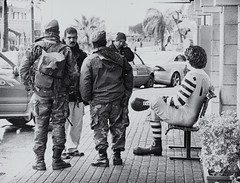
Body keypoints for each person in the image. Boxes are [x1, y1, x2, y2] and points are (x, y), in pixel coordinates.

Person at [131, 45, 211, 156]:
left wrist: (164, 99)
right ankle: (156, 145)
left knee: (155, 100)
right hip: (191, 115)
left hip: (185, 117)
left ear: (190, 60)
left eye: (186, 59)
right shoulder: (205, 76)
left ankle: (146, 103)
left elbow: (179, 101)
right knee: (155, 108)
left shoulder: (192, 76)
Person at [20, 19, 75, 170]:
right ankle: (57, 160)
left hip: (40, 94)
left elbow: (23, 69)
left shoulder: (36, 47)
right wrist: (66, 88)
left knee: (40, 127)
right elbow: (74, 74)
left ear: (45, 31)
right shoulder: (65, 50)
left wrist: (31, 86)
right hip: (59, 96)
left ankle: (39, 162)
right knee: (58, 126)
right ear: (58, 32)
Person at [80, 30, 133, 167]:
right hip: (118, 99)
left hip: (99, 101)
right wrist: (127, 93)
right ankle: (117, 156)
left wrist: (87, 99)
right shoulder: (119, 58)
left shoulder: (90, 60)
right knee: (118, 126)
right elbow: (129, 73)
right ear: (105, 42)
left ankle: (102, 157)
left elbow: (85, 82)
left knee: (99, 127)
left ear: (93, 44)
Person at [62, 27, 87, 159]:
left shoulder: (82, 56)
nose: (72, 40)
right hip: (63, 96)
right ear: (64, 38)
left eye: (74, 37)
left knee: (77, 123)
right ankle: (60, 150)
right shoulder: (59, 53)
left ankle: (72, 148)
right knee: (62, 125)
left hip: (78, 96)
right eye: (69, 37)